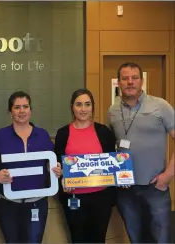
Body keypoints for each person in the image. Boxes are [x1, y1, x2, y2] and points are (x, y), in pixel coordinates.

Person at [107, 62, 175, 243]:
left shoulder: (161, 106)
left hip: (155, 187)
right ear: (118, 83)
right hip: (125, 190)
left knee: (161, 239)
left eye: (134, 78)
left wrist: (168, 175)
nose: (130, 82)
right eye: (125, 78)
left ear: (142, 81)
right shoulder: (112, 111)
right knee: (136, 239)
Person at [0, 91, 62, 243]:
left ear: (31, 110)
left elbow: (50, 164)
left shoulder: (42, 135)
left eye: (25, 107)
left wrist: (56, 169)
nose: (22, 111)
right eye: (17, 107)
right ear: (10, 112)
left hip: (37, 202)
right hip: (7, 203)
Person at [54, 88, 117, 243]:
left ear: (92, 107)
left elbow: (113, 163)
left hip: (101, 198)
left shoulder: (104, 132)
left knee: (98, 239)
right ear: (72, 107)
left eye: (87, 104)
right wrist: (61, 176)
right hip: (74, 197)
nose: (83, 109)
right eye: (79, 104)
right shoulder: (63, 133)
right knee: (78, 239)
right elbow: (58, 165)